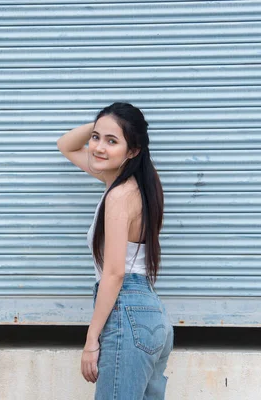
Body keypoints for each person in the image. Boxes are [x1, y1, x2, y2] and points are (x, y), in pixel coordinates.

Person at [56, 102, 174, 399]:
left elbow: (114, 272)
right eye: (96, 137)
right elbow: (65, 145)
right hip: (152, 317)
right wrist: (103, 123)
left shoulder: (120, 196)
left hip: (127, 314)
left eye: (112, 141)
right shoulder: (139, 185)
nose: (98, 147)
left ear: (133, 151)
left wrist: (91, 338)